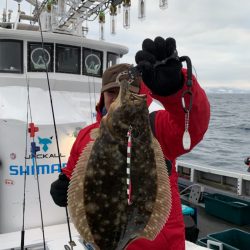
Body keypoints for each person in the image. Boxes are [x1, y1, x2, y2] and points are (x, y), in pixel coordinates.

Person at [50, 36, 210, 249]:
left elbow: (192, 127)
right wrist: (65, 181)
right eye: (112, 92)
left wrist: (175, 89)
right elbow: (75, 172)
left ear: (142, 94)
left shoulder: (156, 128)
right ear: (102, 95)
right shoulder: (86, 135)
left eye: (128, 92)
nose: (118, 98)